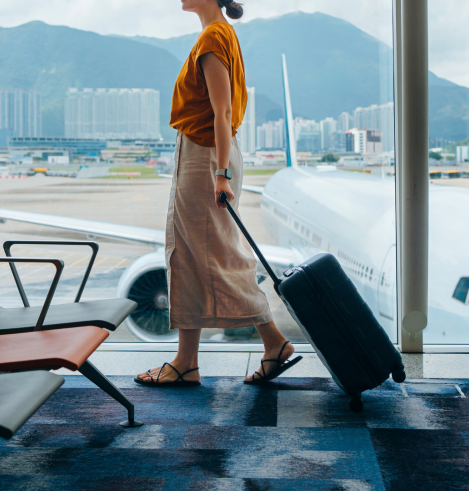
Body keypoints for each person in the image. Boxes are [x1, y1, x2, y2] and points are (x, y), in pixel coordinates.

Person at [135, 0, 301, 387]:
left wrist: (221, 173)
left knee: (214, 255)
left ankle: (271, 342)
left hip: (206, 157)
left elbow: (222, 111)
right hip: (206, 155)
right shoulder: (219, 34)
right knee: (191, 255)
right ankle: (187, 360)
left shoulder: (213, 37)